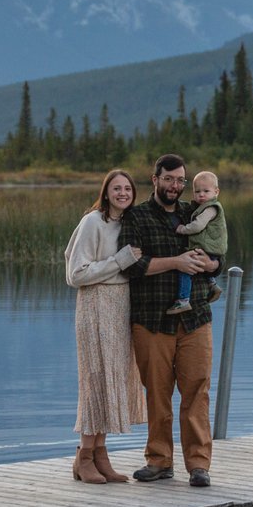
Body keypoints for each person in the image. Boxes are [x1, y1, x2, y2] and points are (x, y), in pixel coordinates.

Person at [119, 154, 220, 487]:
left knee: (197, 392)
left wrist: (213, 265)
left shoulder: (196, 212)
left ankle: (199, 465)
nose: (175, 186)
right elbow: (132, 265)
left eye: (180, 180)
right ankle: (159, 461)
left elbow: (218, 253)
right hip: (152, 320)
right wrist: (176, 262)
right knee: (157, 394)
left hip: (196, 319)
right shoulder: (136, 217)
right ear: (155, 179)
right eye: (168, 179)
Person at [63, 168, 147, 484]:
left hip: (120, 308)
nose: (123, 193)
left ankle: (100, 456)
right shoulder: (92, 222)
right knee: (95, 379)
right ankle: (84, 457)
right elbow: (76, 274)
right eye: (117, 188)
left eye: (127, 188)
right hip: (95, 306)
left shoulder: (128, 224)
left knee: (112, 378)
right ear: (106, 192)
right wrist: (119, 261)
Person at [165, 170, 226, 315]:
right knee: (201, 262)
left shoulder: (211, 208)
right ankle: (212, 284)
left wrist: (183, 229)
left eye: (206, 191)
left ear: (216, 192)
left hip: (208, 247)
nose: (201, 195)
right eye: (197, 192)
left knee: (186, 269)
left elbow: (198, 225)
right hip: (211, 249)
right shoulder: (201, 207)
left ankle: (183, 300)